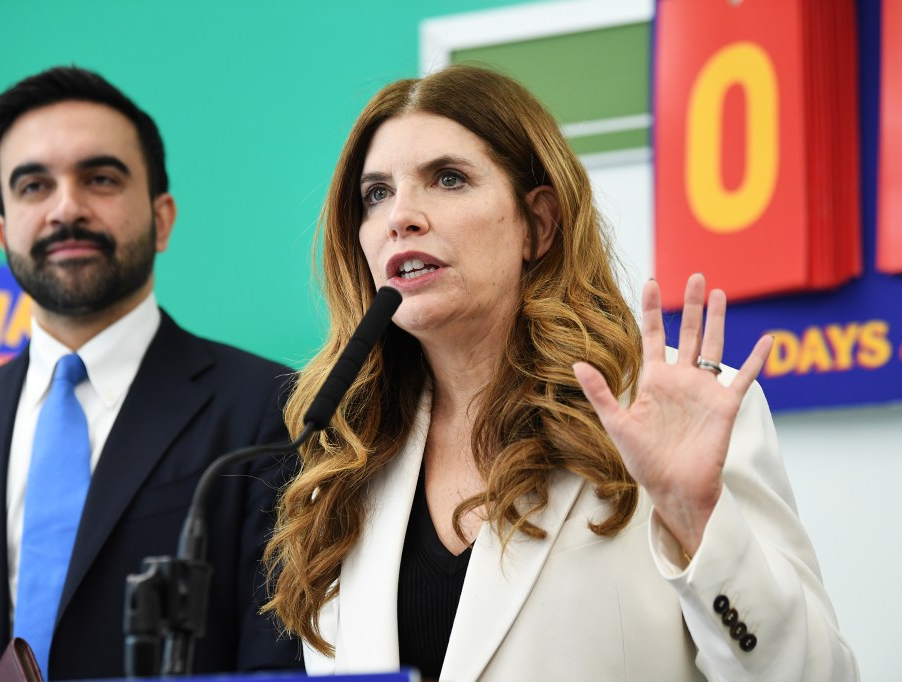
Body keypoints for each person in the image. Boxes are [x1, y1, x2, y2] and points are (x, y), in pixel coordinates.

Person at [263, 64, 859, 681]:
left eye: (448, 179)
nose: (401, 217)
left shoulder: (667, 419)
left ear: (539, 223)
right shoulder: (345, 457)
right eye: (377, 194)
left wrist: (700, 525)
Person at [0, 66, 301, 681]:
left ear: (162, 218)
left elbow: (277, 664)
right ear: (3, 233)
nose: (66, 208)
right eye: (32, 186)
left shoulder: (269, 411)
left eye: (100, 179)